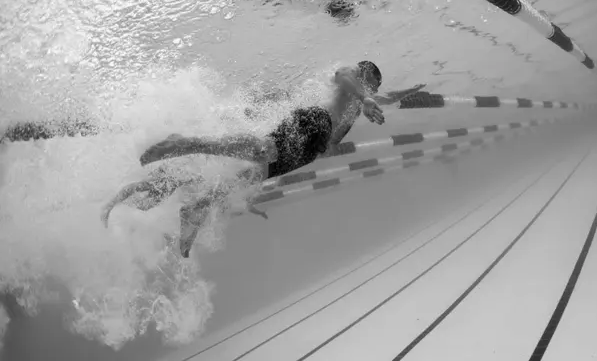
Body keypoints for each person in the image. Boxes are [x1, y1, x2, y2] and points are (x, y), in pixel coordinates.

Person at [102, 61, 425, 258]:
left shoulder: (364, 98)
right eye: (372, 83)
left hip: (308, 151)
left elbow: (386, 98)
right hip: (314, 122)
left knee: (247, 178)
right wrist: (366, 96)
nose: (373, 90)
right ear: (365, 74)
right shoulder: (353, 80)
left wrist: (409, 91)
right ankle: (185, 144)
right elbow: (343, 76)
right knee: (262, 150)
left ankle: (195, 208)